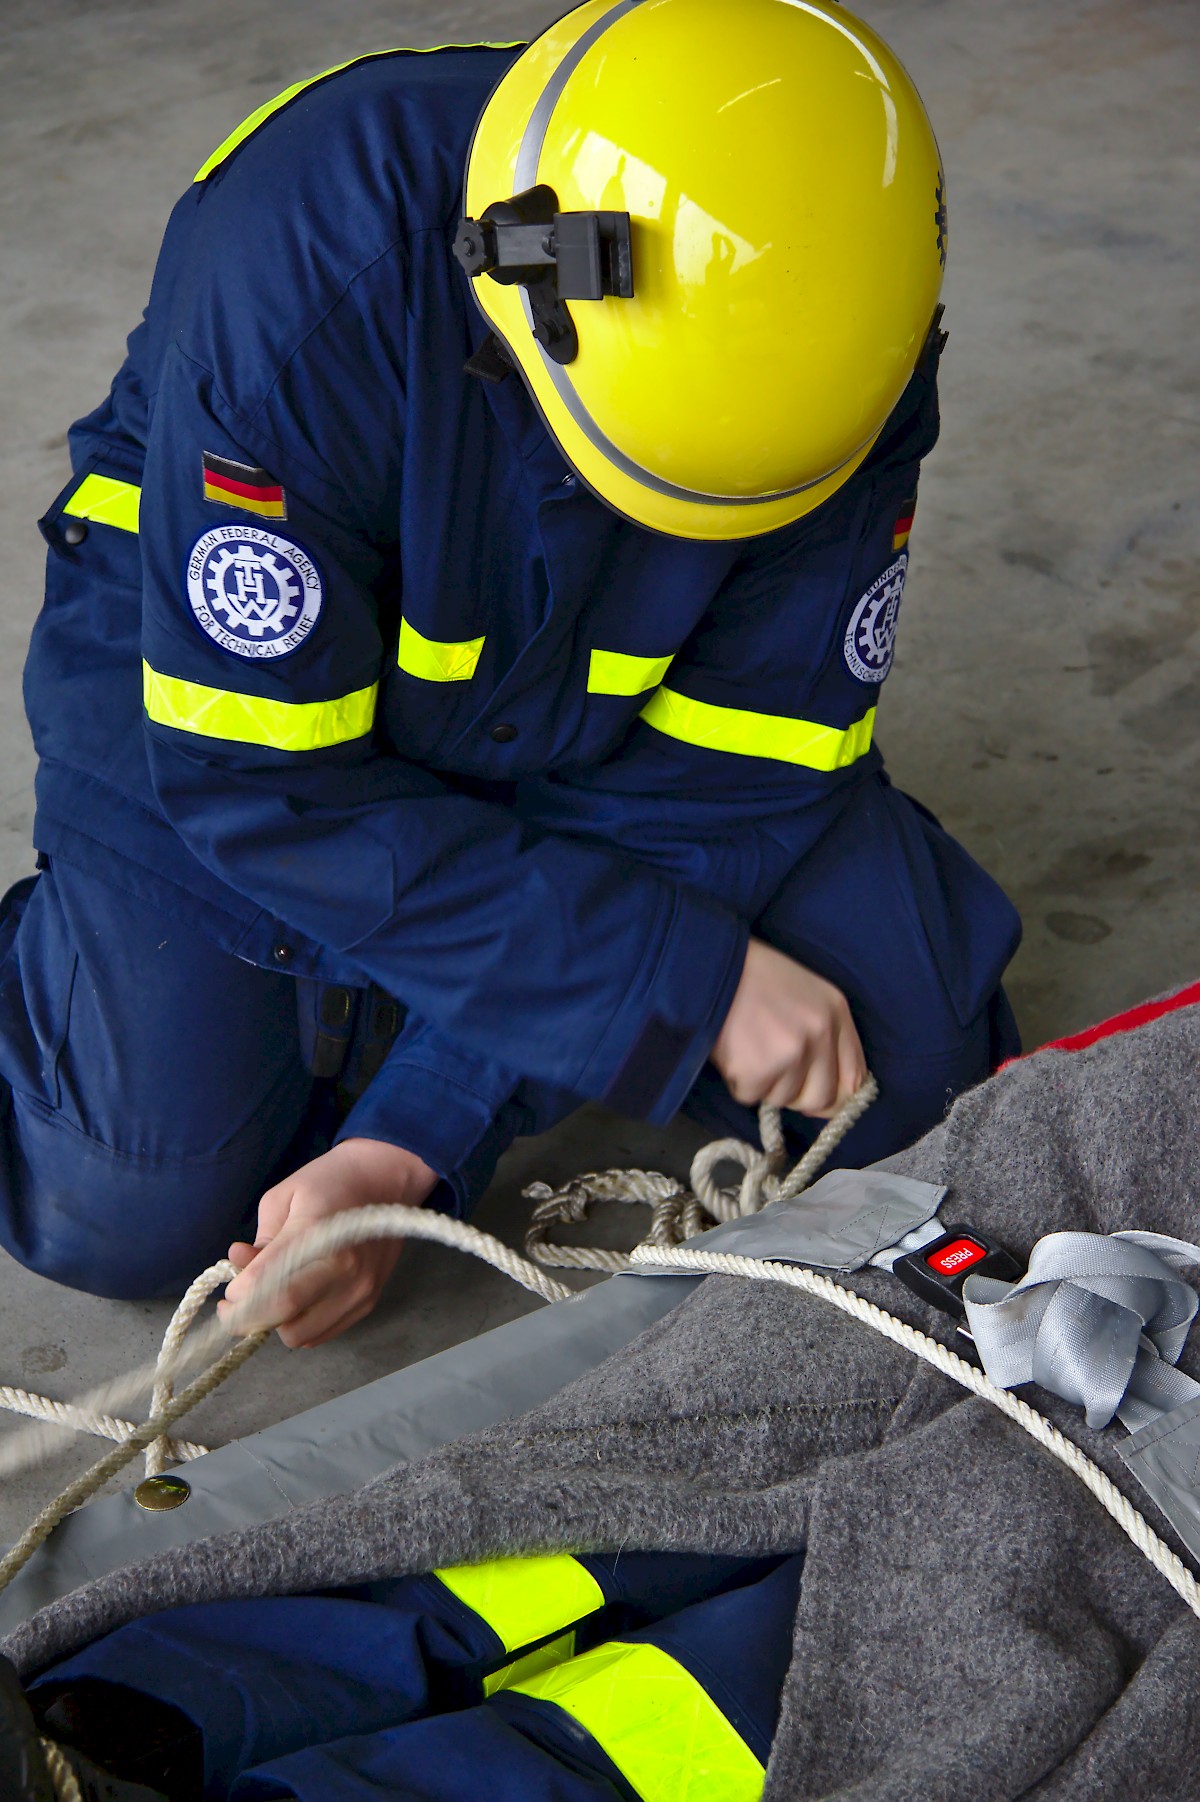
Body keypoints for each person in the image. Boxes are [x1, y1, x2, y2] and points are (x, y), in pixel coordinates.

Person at [0, 0, 1020, 1344]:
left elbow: (742, 763)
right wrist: (671, 979)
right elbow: (267, 784)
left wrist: (407, 1137)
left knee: (913, 1061)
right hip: (239, 713)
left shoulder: (842, 320)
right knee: (128, 1191)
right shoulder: (306, 266)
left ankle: (402, 1000)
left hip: (597, 737)